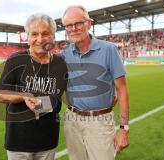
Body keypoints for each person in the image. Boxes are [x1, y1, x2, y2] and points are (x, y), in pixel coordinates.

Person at [61, 5, 130, 160]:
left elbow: (122, 89)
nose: (73, 28)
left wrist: (123, 128)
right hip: (72, 121)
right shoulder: (64, 54)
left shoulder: (109, 49)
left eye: (78, 23)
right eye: (69, 25)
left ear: (89, 24)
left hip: (100, 121)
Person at [0, 13, 67, 160]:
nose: (40, 39)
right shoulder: (15, 60)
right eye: (34, 34)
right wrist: (24, 97)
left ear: (52, 37)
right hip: (18, 141)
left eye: (45, 34)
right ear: (28, 37)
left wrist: (41, 104)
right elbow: (1, 95)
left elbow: (58, 102)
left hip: (48, 140)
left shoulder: (60, 64)